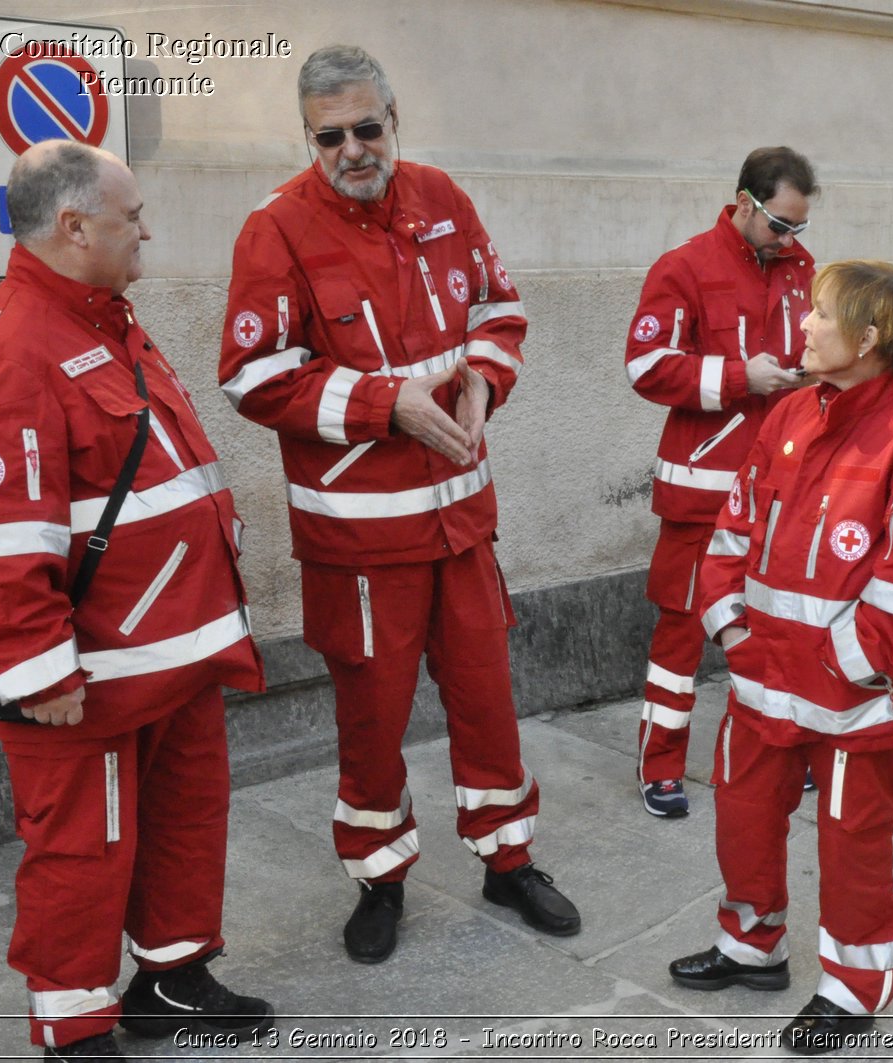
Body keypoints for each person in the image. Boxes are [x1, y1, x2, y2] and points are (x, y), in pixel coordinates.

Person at [218, 45, 579, 964]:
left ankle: (510, 859)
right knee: (371, 722)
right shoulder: (276, 231)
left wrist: (484, 384)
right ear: (309, 136)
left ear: (394, 118)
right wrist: (387, 406)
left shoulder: (443, 197)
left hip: (463, 528)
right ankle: (379, 878)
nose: (351, 149)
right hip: (358, 543)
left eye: (366, 127)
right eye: (328, 135)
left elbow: (499, 310)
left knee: (489, 703)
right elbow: (253, 376)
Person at [0, 140, 271, 1060]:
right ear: (74, 226)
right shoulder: (7, 349)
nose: (147, 230)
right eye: (131, 217)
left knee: (185, 824)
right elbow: (4, 537)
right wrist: (39, 673)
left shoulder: (105, 321)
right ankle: (73, 1024)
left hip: (175, 653)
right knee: (82, 855)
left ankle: (172, 978)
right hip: (88, 677)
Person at [669, 261, 893, 1054]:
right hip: (762, 676)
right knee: (740, 816)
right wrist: (734, 630)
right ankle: (751, 945)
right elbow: (733, 529)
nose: (802, 326)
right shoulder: (792, 411)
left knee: (852, 843)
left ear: (869, 338)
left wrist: (844, 659)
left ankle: (852, 986)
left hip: (856, 696)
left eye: (821, 315)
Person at [623, 146, 817, 817]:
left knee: (777, 626)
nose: (789, 239)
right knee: (679, 636)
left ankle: (784, 746)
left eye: (798, 227)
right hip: (701, 490)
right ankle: (660, 766)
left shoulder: (801, 271)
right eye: (779, 224)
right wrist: (740, 378)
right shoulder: (684, 267)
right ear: (743, 202)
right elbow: (646, 367)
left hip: (777, 489)